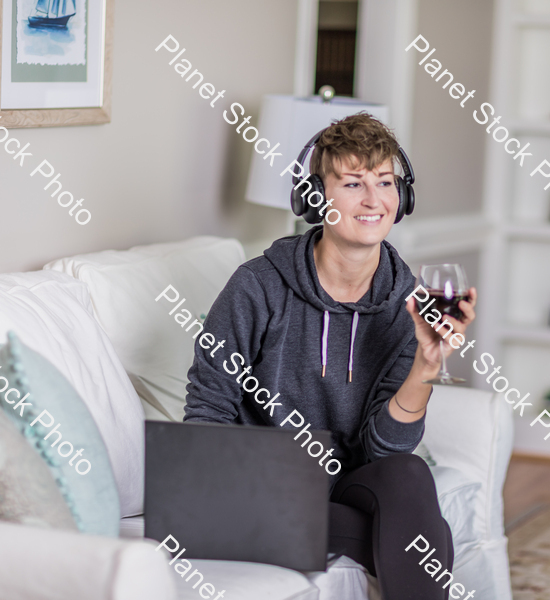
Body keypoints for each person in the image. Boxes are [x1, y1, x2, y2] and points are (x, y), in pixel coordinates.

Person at [184, 112, 477, 599]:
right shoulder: (258, 286)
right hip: (262, 485)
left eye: (385, 182)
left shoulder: (409, 299)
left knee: (409, 472)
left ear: (401, 198)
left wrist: (427, 365)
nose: (373, 200)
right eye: (352, 183)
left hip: (347, 482)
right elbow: (207, 407)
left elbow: (385, 450)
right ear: (315, 197)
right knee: (430, 540)